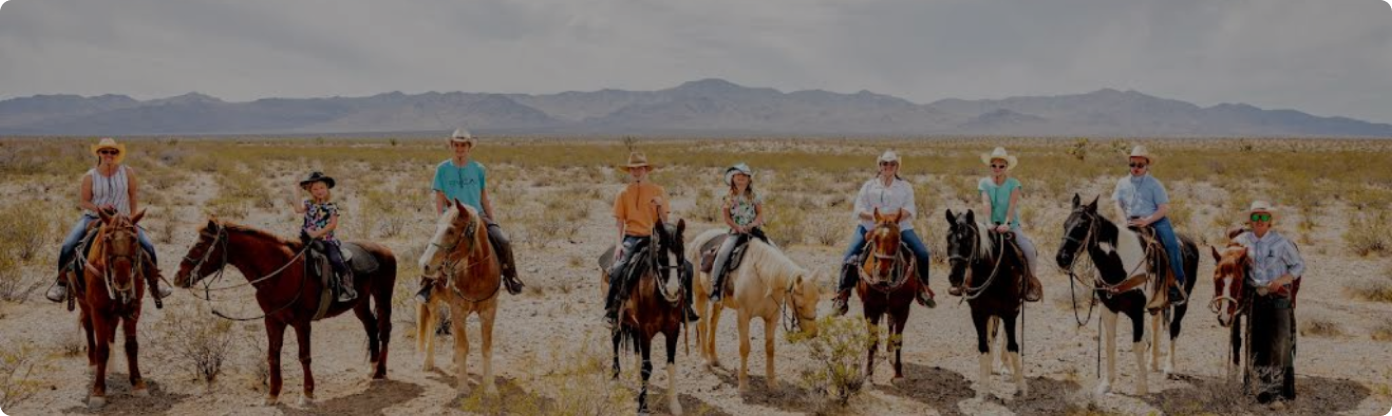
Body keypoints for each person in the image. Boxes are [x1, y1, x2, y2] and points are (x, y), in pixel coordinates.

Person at [46, 138, 171, 307]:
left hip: (123, 219)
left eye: (113, 152)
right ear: (99, 153)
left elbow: (133, 195)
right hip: (93, 217)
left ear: (117, 154)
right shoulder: (90, 176)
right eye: (105, 151)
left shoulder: (127, 172)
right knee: (68, 245)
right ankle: (61, 285)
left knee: (148, 245)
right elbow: (84, 202)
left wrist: (131, 218)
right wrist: (99, 207)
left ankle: (155, 285)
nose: (109, 155)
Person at [415, 127, 524, 303]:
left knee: (502, 240)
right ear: (451, 146)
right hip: (451, 218)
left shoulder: (479, 169)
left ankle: (510, 277)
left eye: (463, 145)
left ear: (469, 147)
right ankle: (426, 285)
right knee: (434, 248)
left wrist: (492, 220)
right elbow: (439, 197)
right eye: (456, 145)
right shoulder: (442, 169)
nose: (459, 149)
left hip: (477, 215)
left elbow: (483, 196)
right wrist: (441, 220)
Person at [831, 150, 934, 316]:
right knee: (849, 257)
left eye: (892, 163)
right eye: (885, 163)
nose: (888, 166)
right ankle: (842, 295)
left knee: (922, 253)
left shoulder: (905, 187)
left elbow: (909, 209)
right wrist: (876, 218)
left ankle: (923, 289)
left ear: (897, 166)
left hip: (900, 228)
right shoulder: (868, 186)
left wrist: (892, 221)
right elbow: (858, 209)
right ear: (879, 166)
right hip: (869, 227)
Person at [603, 151, 699, 327]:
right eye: (633, 169)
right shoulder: (623, 193)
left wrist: (660, 206)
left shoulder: (658, 191)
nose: (637, 172)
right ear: (629, 172)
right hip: (632, 238)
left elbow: (664, 221)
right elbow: (619, 222)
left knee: (687, 267)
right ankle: (611, 309)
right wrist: (618, 245)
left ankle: (687, 306)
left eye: (640, 168)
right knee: (618, 269)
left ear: (646, 170)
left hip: (655, 238)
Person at [1233, 200, 1303, 406]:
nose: (1259, 221)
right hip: (1256, 295)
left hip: (1279, 295)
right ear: (1250, 220)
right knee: (1256, 340)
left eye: (1264, 217)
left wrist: (1281, 281)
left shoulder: (1282, 242)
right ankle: (1257, 388)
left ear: (1270, 220)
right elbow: (1229, 259)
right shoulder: (1242, 240)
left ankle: (1279, 391)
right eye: (1255, 217)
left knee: (1280, 341)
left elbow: (1298, 265)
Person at [1112, 145, 1186, 308]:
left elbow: (1163, 208)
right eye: (1133, 164)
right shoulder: (1122, 183)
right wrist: (1123, 221)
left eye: (1140, 165)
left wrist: (1147, 221)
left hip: (1156, 220)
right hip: (1129, 220)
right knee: (1107, 245)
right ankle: (1106, 285)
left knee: (1172, 246)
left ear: (1147, 165)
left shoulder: (1155, 184)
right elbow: (1117, 204)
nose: (1136, 168)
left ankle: (1176, 285)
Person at [963, 147, 1042, 302]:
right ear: (990, 166)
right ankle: (965, 283)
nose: (997, 168)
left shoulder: (1014, 184)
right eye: (994, 165)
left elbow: (1012, 206)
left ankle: (1030, 283)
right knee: (968, 247)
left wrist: (1007, 224)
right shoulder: (984, 183)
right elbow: (986, 203)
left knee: (1029, 250)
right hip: (989, 225)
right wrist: (988, 223)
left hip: (1011, 226)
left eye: (1001, 166)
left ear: (1007, 167)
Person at [708, 163, 768, 303]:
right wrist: (738, 227)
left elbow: (760, 214)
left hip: (754, 231)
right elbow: (727, 218)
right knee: (723, 253)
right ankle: (715, 286)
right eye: (738, 176)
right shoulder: (728, 197)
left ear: (749, 179)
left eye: (744, 176)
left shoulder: (754, 196)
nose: (741, 178)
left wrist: (753, 224)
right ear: (732, 178)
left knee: (773, 250)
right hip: (736, 232)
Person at [292, 171, 356, 302]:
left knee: (335, 259)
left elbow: (332, 224)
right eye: (315, 189)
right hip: (306, 238)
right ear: (310, 191)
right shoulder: (309, 204)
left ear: (327, 189)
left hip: (326, 240)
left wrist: (317, 233)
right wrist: (297, 190)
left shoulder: (331, 207)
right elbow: (298, 209)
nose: (319, 191)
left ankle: (347, 287)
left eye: (322, 188)